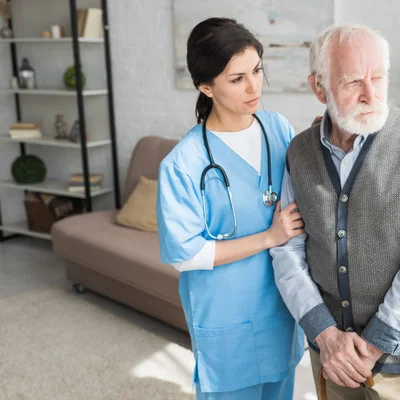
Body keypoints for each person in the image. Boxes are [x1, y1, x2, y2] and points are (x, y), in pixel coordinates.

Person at [270, 24, 400, 400]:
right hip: (331, 355)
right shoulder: (298, 152)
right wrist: (326, 335)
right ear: (319, 87)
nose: (371, 94)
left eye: (379, 78)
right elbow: (288, 251)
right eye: (354, 81)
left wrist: (370, 346)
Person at [156, 17, 305, 400]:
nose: (254, 86)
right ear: (206, 87)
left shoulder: (279, 129)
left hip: (280, 306)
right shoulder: (183, 163)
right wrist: (268, 237)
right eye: (237, 79)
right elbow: (187, 254)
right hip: (225, 313)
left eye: (256, 70)